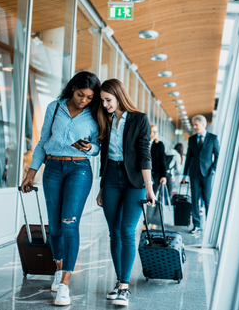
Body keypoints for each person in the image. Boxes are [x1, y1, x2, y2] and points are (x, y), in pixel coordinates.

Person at [20, 71, 101, 306]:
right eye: (80, 95)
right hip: (53, 168)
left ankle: (65, 284)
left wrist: (89, 149)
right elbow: (43, 141)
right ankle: (58, 268)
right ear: (73, 88)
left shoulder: (94, 113)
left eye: (88, 97)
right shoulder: (55, 107)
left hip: (79, 169)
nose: (83, 101)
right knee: (54, 226)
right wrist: (31, 173)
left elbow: (98, 147)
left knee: (69, 223)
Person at [96, 79, 156, 307]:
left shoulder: (140, 119)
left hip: (134, 181)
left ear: (119, 96)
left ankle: (124, 286)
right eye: (102, 101)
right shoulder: (105, 119)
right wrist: (102, 186)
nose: (105, 104)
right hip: (110, 177)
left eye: (108, 100)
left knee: (127, 230)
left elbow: (144, 153)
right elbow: (103, 156)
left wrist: (149, 187)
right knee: (113, 232)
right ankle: (120, 281)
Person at [182, 115, 220, 234]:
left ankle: (209, 225)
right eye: (193, 125)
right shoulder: (192, 139)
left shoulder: (213, 138)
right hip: (194, 174)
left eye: (196, 125)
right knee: (195, 199)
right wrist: (184, 174)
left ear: (203, 124)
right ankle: (196, 225)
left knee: (207, 199)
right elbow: (188, 156)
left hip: (207, 174)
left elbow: (218, 155)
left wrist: (213, 169)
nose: (194, 127)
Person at [147, 123, 167, 227]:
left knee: (152, 197)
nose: (155, 133)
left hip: (156, 174)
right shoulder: (144, 143)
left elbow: (163, 161)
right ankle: (147, 220)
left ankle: (150, 221)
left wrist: (164, 176)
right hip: (144, 174)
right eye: (153, 131)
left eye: (156, 131)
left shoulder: (159, 144)